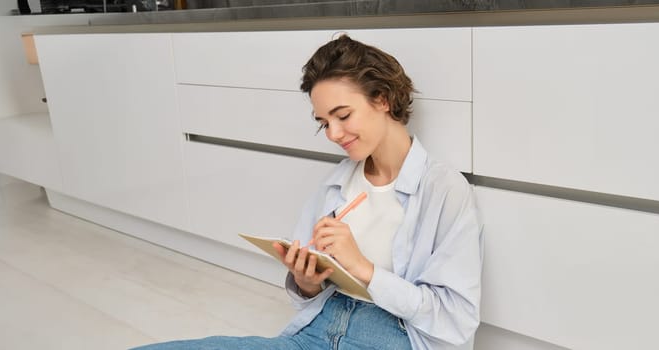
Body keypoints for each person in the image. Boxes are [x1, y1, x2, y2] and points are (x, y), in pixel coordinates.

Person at [132, 34, 483, 350]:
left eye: (342, 115)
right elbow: (307, 297)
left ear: (383, 99)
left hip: (394, 338)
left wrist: (364, 268)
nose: (333, 133)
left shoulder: (444, 189)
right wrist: (306, 282)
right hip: (314, 332)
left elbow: (457, 319)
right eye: (323, 123)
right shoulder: (337, 184)